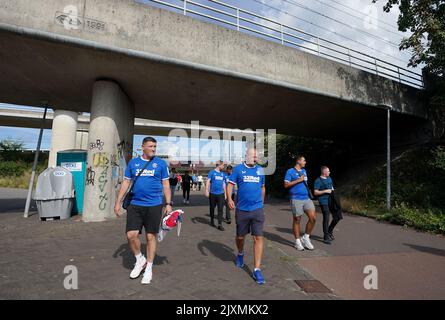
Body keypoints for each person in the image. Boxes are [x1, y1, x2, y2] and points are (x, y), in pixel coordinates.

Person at [114, 136, 172, 285]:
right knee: (131, 235)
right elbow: (126, 182)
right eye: (151, 146)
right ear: (143, 147)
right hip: (135, 204)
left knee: (151, 237)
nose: (153, 149)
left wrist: (168, 203)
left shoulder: (160, 164)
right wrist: (118, 202)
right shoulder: (134, 163)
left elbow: (166, 184)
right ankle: (140, 259)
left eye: (155, 147)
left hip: (154, 205)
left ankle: (149, 268)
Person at [227, 147, 266, 284]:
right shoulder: (238, 169)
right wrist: (230, 199)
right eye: (253, 156)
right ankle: (240, 253)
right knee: (240, 237)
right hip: (242, 210)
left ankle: (256, 269)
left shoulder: (260, 170)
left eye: (257, 156)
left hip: (257, 209)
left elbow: (262, 187)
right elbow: (230, 185)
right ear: (246, 156)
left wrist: (261, 203)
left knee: (258, 238)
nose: (256, 158)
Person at [284, 155, 316, 251]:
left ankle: (306, 237)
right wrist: (299, 180)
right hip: (296, 199)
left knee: (313, 218)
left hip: (306, 198)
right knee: (297, 219)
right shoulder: (290, 171)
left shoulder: (304, 171)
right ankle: (297, 242)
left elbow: (304, 183)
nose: (305, 162)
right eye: (304, 160)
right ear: (298, 161)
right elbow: (286, 185)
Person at [314, 166, 341, 244]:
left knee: (338, 216)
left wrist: (333, 192)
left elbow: (331, 187)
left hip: (332, 200)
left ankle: (330, 230)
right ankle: (326, 237)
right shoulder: (318, 180)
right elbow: (315, 192)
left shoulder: (329, 178)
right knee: (326, 217)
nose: (329, 172)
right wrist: (325, 191)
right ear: (324, 172)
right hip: (323, 201)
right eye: (328, 171)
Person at [205, 161, 226, 231]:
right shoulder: (212, 172)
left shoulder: (223, 174)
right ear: (219, 165)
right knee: (212, 208)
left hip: (221, 194)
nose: (224, 167)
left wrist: (225, 193)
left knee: (220, 209)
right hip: (212, 194)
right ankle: (212, 220)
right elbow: (208, 181)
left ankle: (220, 224)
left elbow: (224, 184)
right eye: (223, 165)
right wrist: (206, 190)